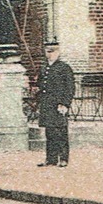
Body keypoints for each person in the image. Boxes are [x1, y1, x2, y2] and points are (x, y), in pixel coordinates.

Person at [38, 40, 75, 168]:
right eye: (47, 51)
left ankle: (63, 158)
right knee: (50, 132)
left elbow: (70, 88)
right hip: (47, 104)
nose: (50, 54)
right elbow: (41, 85)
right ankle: (51, 159)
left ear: (58, 52)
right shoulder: (44, 68)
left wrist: (65, 104)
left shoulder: (64, 68)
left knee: (61, 132)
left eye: (52, 52)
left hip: (58, 105)